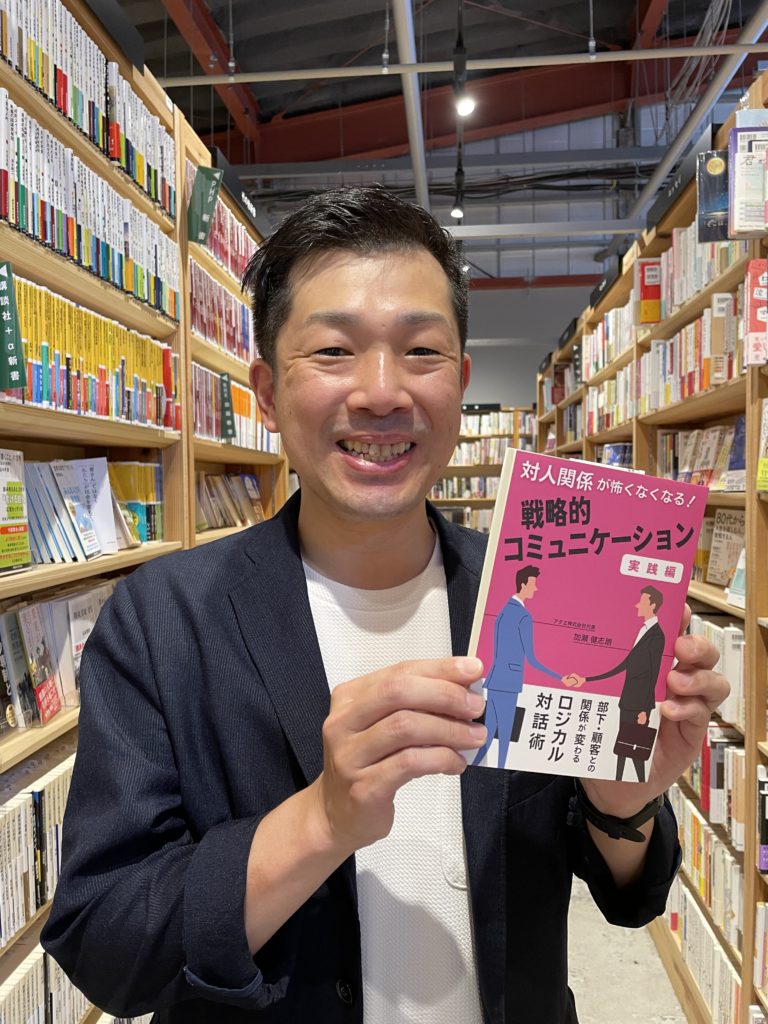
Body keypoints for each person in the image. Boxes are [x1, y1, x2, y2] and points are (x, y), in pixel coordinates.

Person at [41, 186, 729, 1024]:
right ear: (266, 391)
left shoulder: (534, 592)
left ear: (461, 382)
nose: (381, 391)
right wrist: (321, 821)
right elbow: (104, 942)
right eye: (333, 350)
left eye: (421, 351)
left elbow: (625, 895)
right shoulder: (163, 621)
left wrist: (624, 805)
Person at [472, 565, 566, 769]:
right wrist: (560, 678)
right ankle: (489, 769)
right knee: (505, 736)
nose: (536, 589)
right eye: (533, 584)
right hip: (509, 683)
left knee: (489, 732)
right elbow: (531, 659)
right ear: (523, 585)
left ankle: (469, 768)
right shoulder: (523, 616)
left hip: (495, 678)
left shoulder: (504, 611)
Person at [569, 585, 666, 784]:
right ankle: (618, 779)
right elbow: (624, 665)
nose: (637, 605)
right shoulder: (642, 631)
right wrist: (587, 679)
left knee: (637, 750)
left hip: (639, 704)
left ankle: (638, 785)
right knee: (621, 748)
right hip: (627, 700)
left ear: (652, 605)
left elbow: (654, 674)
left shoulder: (657, 636)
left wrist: (644, 709)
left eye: (642, 601)